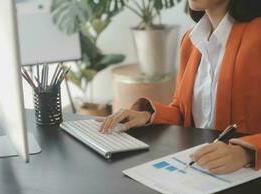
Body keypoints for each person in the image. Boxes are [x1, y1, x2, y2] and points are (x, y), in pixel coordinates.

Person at [99, 0, 261, 174]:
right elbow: (185, 114)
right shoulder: (190, 41)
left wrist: (246, 153)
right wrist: (147, 115)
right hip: (200, 170)